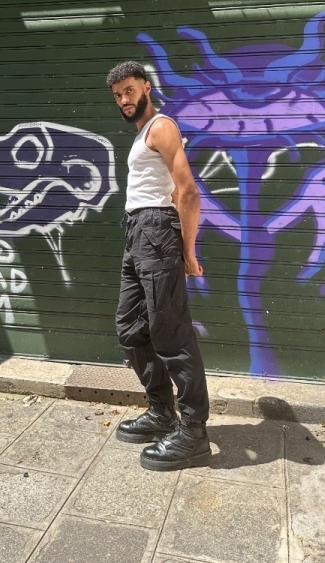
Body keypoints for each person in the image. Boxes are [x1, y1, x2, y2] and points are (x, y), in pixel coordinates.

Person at [106, 60, 211, 471]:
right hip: (137, 232)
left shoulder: (161, 126)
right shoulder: (142, 135)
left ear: (146, 87)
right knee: (130, 329)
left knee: (171, 333)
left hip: (157, 230)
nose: (124, 100)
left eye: (130, 91)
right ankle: (162, 411)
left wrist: (188, 251)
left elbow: (188, 192)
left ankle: (194, 431)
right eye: (118, 95)